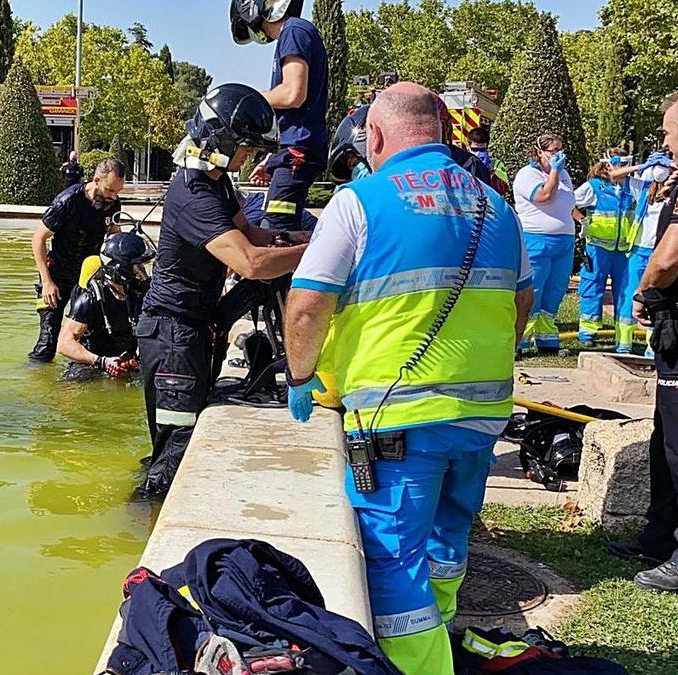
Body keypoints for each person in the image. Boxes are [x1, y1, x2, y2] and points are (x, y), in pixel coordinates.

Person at [283, 83, 533, 674]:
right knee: (449, 536)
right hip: (480, 414)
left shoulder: (359, 201)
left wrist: (300, 375)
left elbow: (307, 304)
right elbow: (521, 300)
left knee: (392, 559)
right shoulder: (495, 206)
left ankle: (420, 666)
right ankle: (442, 629)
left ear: (373, 136)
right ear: (443, 131)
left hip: (396, 419)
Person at [138, 83, 306, 497]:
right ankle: (140, 529)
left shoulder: (216, 183)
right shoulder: (194, 193)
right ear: (222, 140)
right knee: (172, 455)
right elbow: (248, 261)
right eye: (246, 148)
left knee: (178, 442)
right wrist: (313, 253)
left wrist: (299, 238)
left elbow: (251, 233)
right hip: (173, 336)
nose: (250, 158)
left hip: (192, 329)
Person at [619, 89, 678, 592]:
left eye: (668, 133)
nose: (665, 143)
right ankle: (661, 535)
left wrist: (644, 292)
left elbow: (669, 257)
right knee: (667, 434)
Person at [231, 0, 329, 232]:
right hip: (294, 152)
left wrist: (245, 101)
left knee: (276, 231)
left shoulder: (294, 30)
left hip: (297, 152)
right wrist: (271, 160)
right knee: (283, 229)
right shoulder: (296, 32)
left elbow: (292, 94)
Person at [28, 158, 126, 362]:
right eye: (110, 190)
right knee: (47, 344)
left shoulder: (113, 203)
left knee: (89, 337)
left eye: (117, 192)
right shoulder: (68, 200)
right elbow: (38, 239)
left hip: (87, 277)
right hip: (57, 274)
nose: (113, 196)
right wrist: (47, 283)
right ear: (96, 180)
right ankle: (38, 382)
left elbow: (115, 234)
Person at [574, 150, 650, 352]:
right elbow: (569, 202)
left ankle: (624, 340)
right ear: (609, 165)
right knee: (592, 288)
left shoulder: (629, 187)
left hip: (624, 250)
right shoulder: (594, 186)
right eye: (621, 164)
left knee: (626, 293)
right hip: (598, 248)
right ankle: (587, 333)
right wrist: (582, 221)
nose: (626, 168)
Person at [512, 133, 579, 355]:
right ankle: (520, 340)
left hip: (564, 241)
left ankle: (547, 337)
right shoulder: (527, 175)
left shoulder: (564, 175)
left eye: (561, 149)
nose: (559, 154)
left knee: (555, 290)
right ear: (539, 152)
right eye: (553, 151)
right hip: (537, 239)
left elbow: (569, 203)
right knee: (534, 290)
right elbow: (544, 196)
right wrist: (555, 172)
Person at [57, 231, 154, 381]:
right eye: (137, 267)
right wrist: (102, 361)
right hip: (93, 362)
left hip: (129, 360)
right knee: (75, 384)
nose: (142, 272)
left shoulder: (140, 293)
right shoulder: (90, 299)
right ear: (120, 269)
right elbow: (64, 344)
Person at [624, 153, 676, 357]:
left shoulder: (675, 191)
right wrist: (641, 165)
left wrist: (672, 166)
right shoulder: (643, 190)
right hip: (639, 250)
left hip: (660, 250)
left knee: (656, 297)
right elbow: (614, 175)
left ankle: (651, 346)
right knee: (633, 294)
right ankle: (624, 343)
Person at [467, 126, 510, 196]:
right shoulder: (462, 163)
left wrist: (490, 172)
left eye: (482, 149)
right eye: (475, 149)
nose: (479, 153)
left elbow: (502, 189)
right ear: (468, 146)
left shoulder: (496, 164)